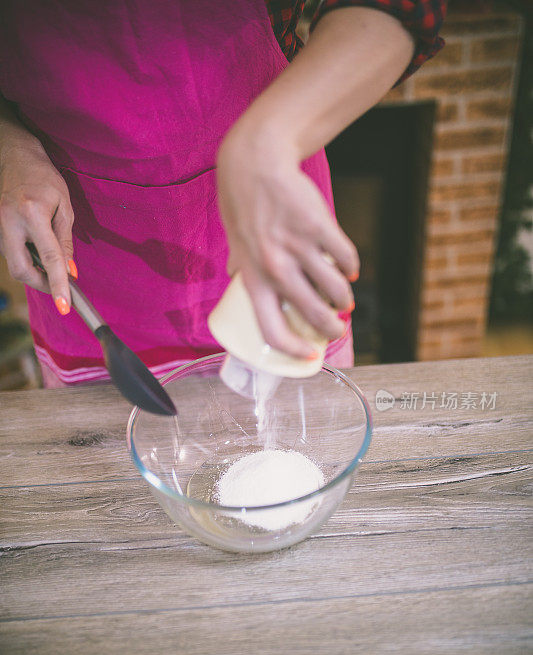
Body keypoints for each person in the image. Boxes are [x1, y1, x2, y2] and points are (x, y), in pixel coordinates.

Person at [0, 1, 446, 387]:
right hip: (90, 260)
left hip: (273, 208)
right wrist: (8, 146)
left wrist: (269, 140)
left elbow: (401, 7)